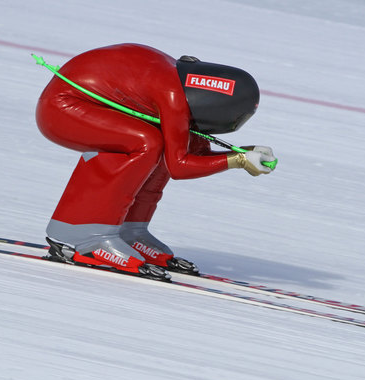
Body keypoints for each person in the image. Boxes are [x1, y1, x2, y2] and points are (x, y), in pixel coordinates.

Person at [35, 43, 276, 280]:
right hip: (62, 106)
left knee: (158, 142)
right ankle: (82, 235)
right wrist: (238, 160)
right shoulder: (173, 96)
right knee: (145, 142)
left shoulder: (181, 84)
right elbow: (179, 166)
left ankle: (130, 231)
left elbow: (192, 153)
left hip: (85, 101)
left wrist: (243, 155)